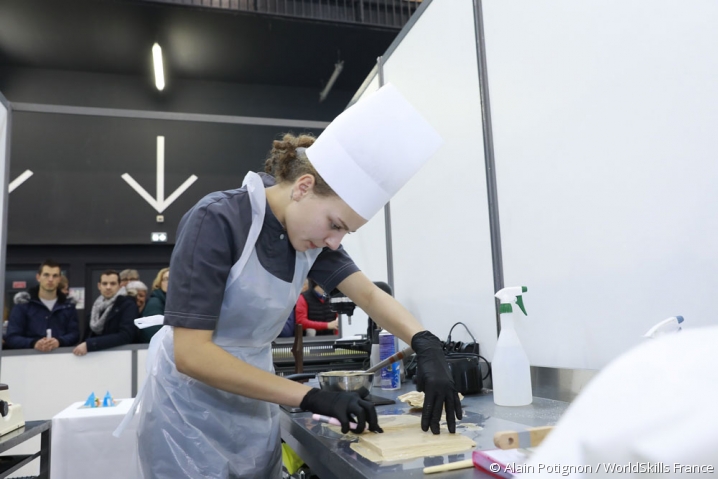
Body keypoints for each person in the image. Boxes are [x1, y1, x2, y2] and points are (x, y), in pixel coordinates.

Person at [131, 84, 458, 478]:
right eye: (334, 225)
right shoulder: (217, 221)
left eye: (345, 233)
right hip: (185, 411)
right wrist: (312, 397)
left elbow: (368, 295)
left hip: (254, 397)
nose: (333, 241)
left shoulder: (310, 238)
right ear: (303, 188)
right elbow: (192, 353)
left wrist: (426, 343)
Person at [5, 259, 79, 351]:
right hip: (28, 360)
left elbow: (75, 335)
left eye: (55, 276)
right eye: (46, 275)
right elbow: (12, 337)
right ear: (38, 277)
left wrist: (59, 341)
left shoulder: (68, 306)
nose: (50, 279)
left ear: (59, 279)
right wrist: (34, 343)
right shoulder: (23, 305)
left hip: (61, 360)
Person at [72, 270, 139, 356]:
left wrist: (90, 344)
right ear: (99, 286)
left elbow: (126, 336)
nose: (108, 287)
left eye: (112, 284)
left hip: (121, 358)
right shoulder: (95, 308)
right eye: (104, 283)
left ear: (119, 286)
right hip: (94, 360)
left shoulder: (128, 305)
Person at [137, 268, 169, 343]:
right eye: (166, 279)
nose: (170, 282)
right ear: (159, 283)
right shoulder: (155, 303)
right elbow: (153, 332)